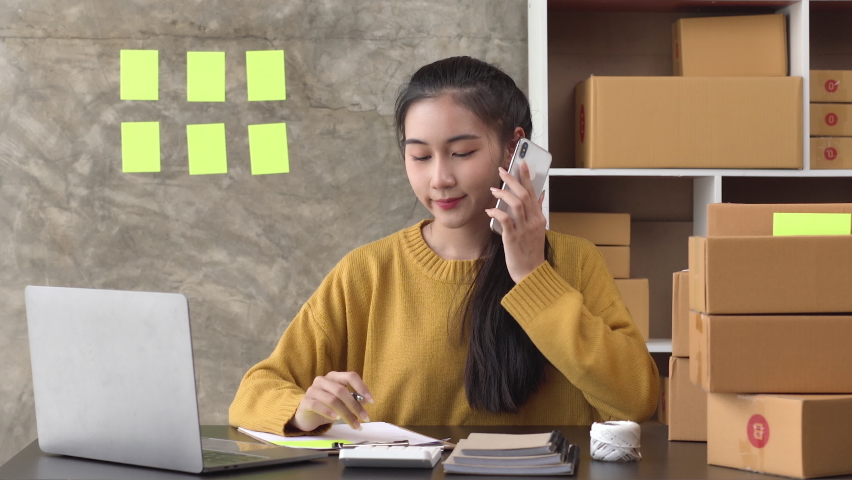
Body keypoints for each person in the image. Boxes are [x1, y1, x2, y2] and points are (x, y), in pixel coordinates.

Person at [229, 56, 659, 436]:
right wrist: (304, 411)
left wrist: (532, 277)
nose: (439, 179)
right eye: (420, 156)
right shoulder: (368, 272)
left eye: (462, 152)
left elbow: (635, 400)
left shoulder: (574, 261)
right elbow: (254, 393)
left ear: (514, 149)